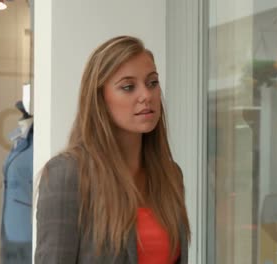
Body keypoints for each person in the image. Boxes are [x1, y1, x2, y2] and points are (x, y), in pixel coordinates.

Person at [35, 36, 190, 264]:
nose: (146, 96)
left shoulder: (170, 175)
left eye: (152, 83)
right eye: (128, 87)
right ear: (100, 99)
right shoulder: (67, 174)